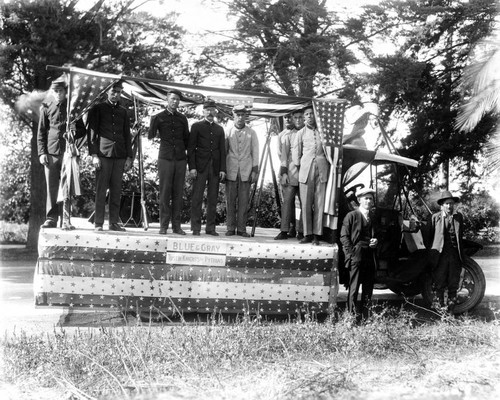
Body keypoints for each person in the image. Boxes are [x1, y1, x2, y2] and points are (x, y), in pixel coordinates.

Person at [38, 77, 85, 230]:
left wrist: (72, 134)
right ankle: (51, 218)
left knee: (67, 187)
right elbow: (41, 133)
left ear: (66, 92)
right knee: (52, 187)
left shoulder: (72, 109)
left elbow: (82, 130)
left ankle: (66, 219)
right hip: (51, 153)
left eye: (60, 91)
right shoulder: (46, 107)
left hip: (67, 154)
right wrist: (42, 153)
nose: (58, 94)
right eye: (55, 91)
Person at [87, 81, 133, 232]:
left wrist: (129, 157)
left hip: (119, 155)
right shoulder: (98, 109)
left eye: (119, 92)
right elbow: (92, 134)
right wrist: (94, 154)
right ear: (107, 92)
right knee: (101, 190)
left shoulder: (124, 112)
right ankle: (98, 223)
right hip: (103, 154)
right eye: (113, 92)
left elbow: (127, 135)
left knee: (116, 190)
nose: (116, 95)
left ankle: (113, 222)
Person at [148, 89, 190, 235]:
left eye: (177, 99)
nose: (175, 102)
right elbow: (150, 136)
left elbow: (187, 140)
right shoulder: (158, 117)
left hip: (180, 158)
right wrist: (151, 121)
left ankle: (177, 226)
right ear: (167, 99)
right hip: (165, 158)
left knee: (178, 193)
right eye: (172, 99)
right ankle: (163, 225)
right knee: (165, 192)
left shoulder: (183, 118)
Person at [188, 100, 226, 236]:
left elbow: (222, 150)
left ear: (216, 112)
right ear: (203, 111)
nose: (210, 113)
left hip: (215, 167)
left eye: (212, 110)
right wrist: (192, 167)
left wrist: (222, 169)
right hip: (200, 167)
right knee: (197, 197)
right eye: (207, 110)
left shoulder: (219, 129)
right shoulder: (196, 126)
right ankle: (196, 228)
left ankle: (210, 228)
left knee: (213, 198)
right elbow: (191, 148)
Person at [292, 105, 330, 245]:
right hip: (306, 171)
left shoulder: (323, 132)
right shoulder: (300, 133)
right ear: (304, 117)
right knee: (306, 204)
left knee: (319, 203)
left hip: (321, 171)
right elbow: (296, 155)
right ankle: (307, 233)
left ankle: (317, 235)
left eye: (311, 114)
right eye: (306, 115)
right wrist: (303, 166)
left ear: (315, 116)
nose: (309, 117)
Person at [340, 187, 379, 317]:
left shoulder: (373, 217)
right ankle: (350, 316)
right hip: (356, 255)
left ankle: (365, 316)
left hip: (370, 256)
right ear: (359, 200)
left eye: (371, 199)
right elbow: (344, 237)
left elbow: (378, 234)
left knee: (368, 288)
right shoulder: (351, 216)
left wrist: (376, 242)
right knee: (354, 288)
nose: (369, 201)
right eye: (366, 198)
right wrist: (351, 254)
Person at [427, 191, 464, 312]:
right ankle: (440, 312)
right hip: (440, 257)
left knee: (453, 284)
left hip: (454, 256)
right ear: (442, 205)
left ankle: (451, 311)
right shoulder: (434, 218)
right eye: (447, 204)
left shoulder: (458, 218)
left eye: (451, 204)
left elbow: (460, 237)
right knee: (439, 283)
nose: (449, 206)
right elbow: (429, 238)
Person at [225, 104, 259, 237]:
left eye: (242, 115)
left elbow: (255, 152)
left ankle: (241, 229)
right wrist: (223, 170)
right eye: (237, 115)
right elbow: (224, 151)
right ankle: (230, 227)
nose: (240, 118)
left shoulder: (251, 133)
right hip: (231, 170)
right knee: (230, 201)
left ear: (246, 116)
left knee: (244, 202)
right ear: (233, 115)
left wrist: (255, 170)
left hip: (246, 171)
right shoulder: (228, 131)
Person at [275, 110, 304, 240]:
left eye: (300, 117)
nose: (298, 120)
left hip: (305, 174)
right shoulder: (287, 135)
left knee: (304, 204)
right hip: (291, 173)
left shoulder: (309, 133)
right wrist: (284, 173)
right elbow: (283, 156)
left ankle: (302, 231)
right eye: (295, 117)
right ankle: (284, 230)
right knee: (287, 203)